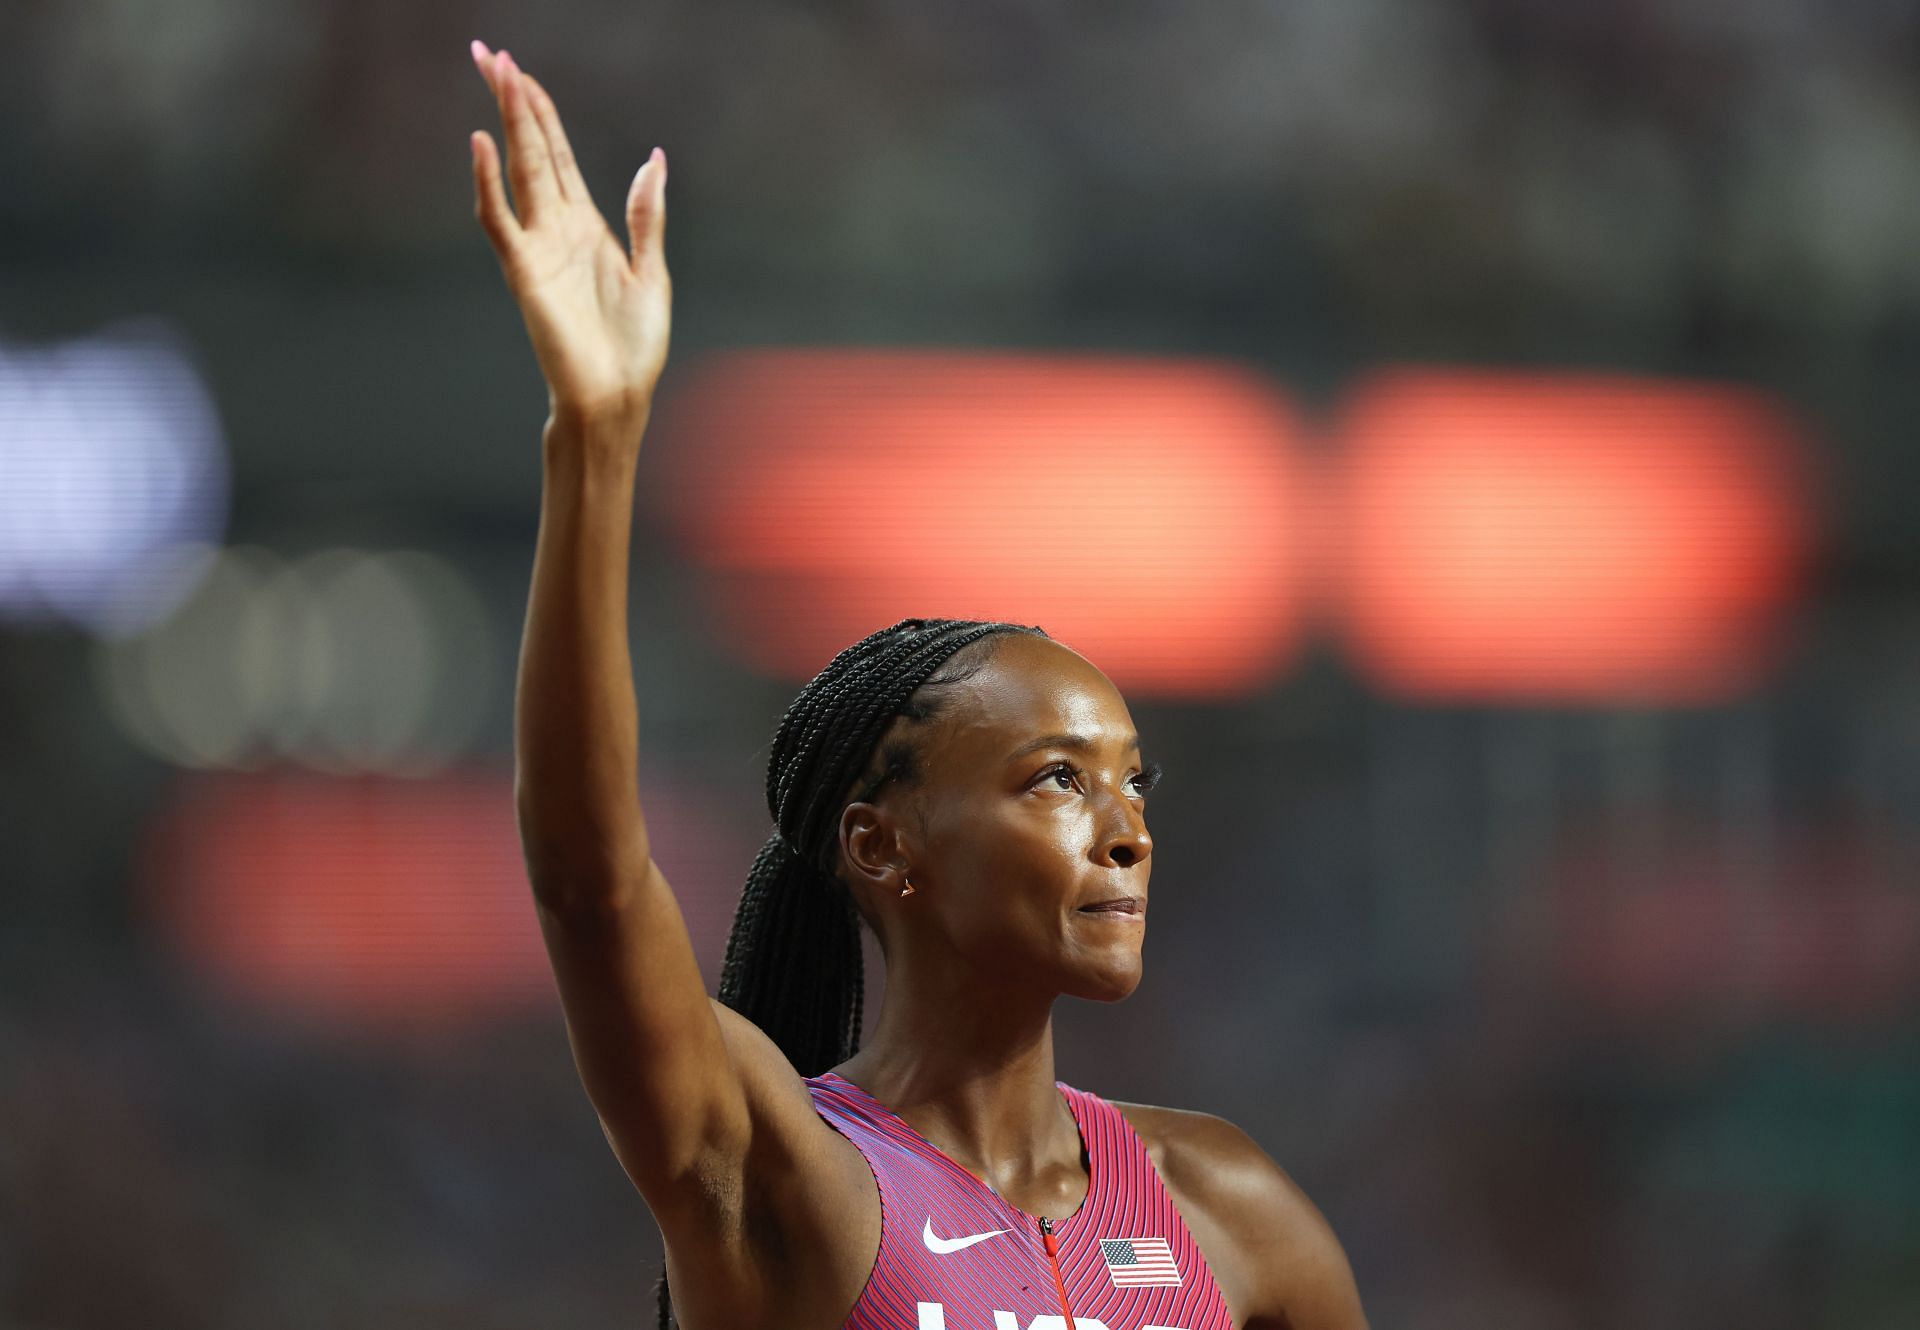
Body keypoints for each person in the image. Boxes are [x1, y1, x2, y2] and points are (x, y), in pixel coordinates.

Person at [466, 39, 1369, 1330]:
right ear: (885, 845)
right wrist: (596, 437)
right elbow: (588, 879)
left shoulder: (1230, 1208)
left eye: (1131, 780)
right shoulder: (786, 1168)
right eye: (1057, 778)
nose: (1128, 828)